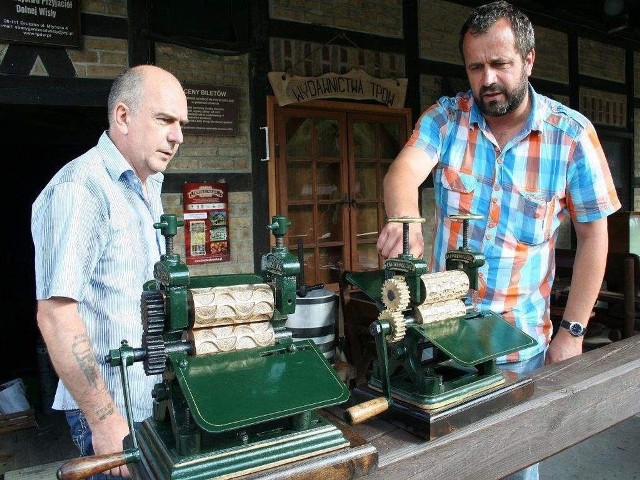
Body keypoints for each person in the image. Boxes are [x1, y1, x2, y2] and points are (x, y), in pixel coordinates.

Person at [376, 2, 620, 479]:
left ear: (528, 60)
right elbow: (402, 172)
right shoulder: (447, 119)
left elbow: (594, 238)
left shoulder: (570, 135)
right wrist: (406, 219)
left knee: (511, 467)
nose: (487, 78)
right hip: (442, 337)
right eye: (475, 66)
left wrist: (571, 334)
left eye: (500, 63)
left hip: (520, 349)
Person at [32, 65, 189, 478]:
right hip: (110, 414)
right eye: (165, 120)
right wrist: (104, 421)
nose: (178, 136)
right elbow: (55, 314)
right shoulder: (80, 189)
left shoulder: (147, 184)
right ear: (122, 116)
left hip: (148, 404)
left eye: (181, 124)